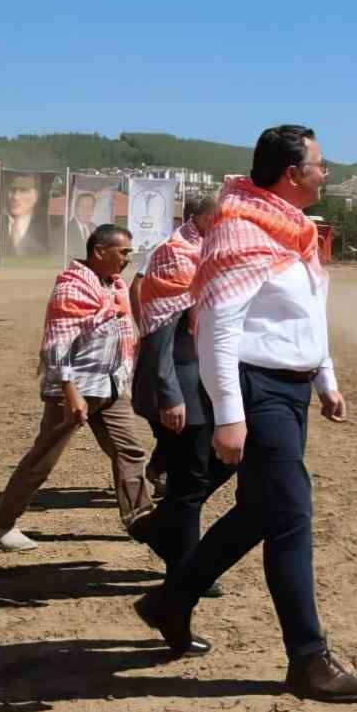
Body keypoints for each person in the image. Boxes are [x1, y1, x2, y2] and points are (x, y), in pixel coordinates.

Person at [134, 125, 357, 702]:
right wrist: (231, 416)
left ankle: (170, 599)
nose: (326, 171)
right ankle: (307, 657)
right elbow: (219, 327)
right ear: (292, 173)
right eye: (320, 163)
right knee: (291, 514)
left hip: (289, 389)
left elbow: (307, 314)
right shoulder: (239, 229)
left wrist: (325, 378)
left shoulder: (296, 231)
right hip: (253, 388)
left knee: (261, 510)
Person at [0, 224, 157, 550]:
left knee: (130, 451)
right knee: (43, 460)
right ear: (99, 251)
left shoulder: (113, 285)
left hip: (110, 387)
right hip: (77, 389)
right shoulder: (72, 287)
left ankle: (142, 521)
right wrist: (70, 392)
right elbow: (57, 344)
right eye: (123, 253)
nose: (127, 260)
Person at [132, 193, 232, 589]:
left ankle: (159, 526)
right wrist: (169, 392)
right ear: (207, 218)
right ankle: (186, 571)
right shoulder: (178, 253)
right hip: (178, 383)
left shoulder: (209, 252)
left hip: (201, 383)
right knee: (190, 478)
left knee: (221, 463)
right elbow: (160, 331)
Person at [3, 173, 49, 257]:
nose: (15, 197)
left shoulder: (49, 231)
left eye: (23, 190)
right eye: (12, 190)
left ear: (36, 195)